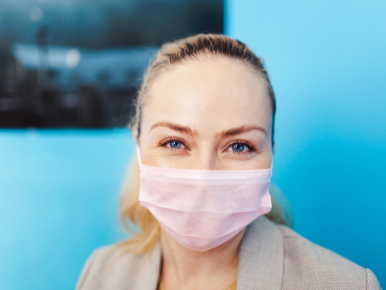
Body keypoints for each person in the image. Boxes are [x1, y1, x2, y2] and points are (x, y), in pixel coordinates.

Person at [76, 34, 381, 290]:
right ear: (139, 146)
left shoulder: (347, 284)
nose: (203, 177)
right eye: (174, 142)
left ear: (270, 154)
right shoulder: (101, 273)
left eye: (239, 146)